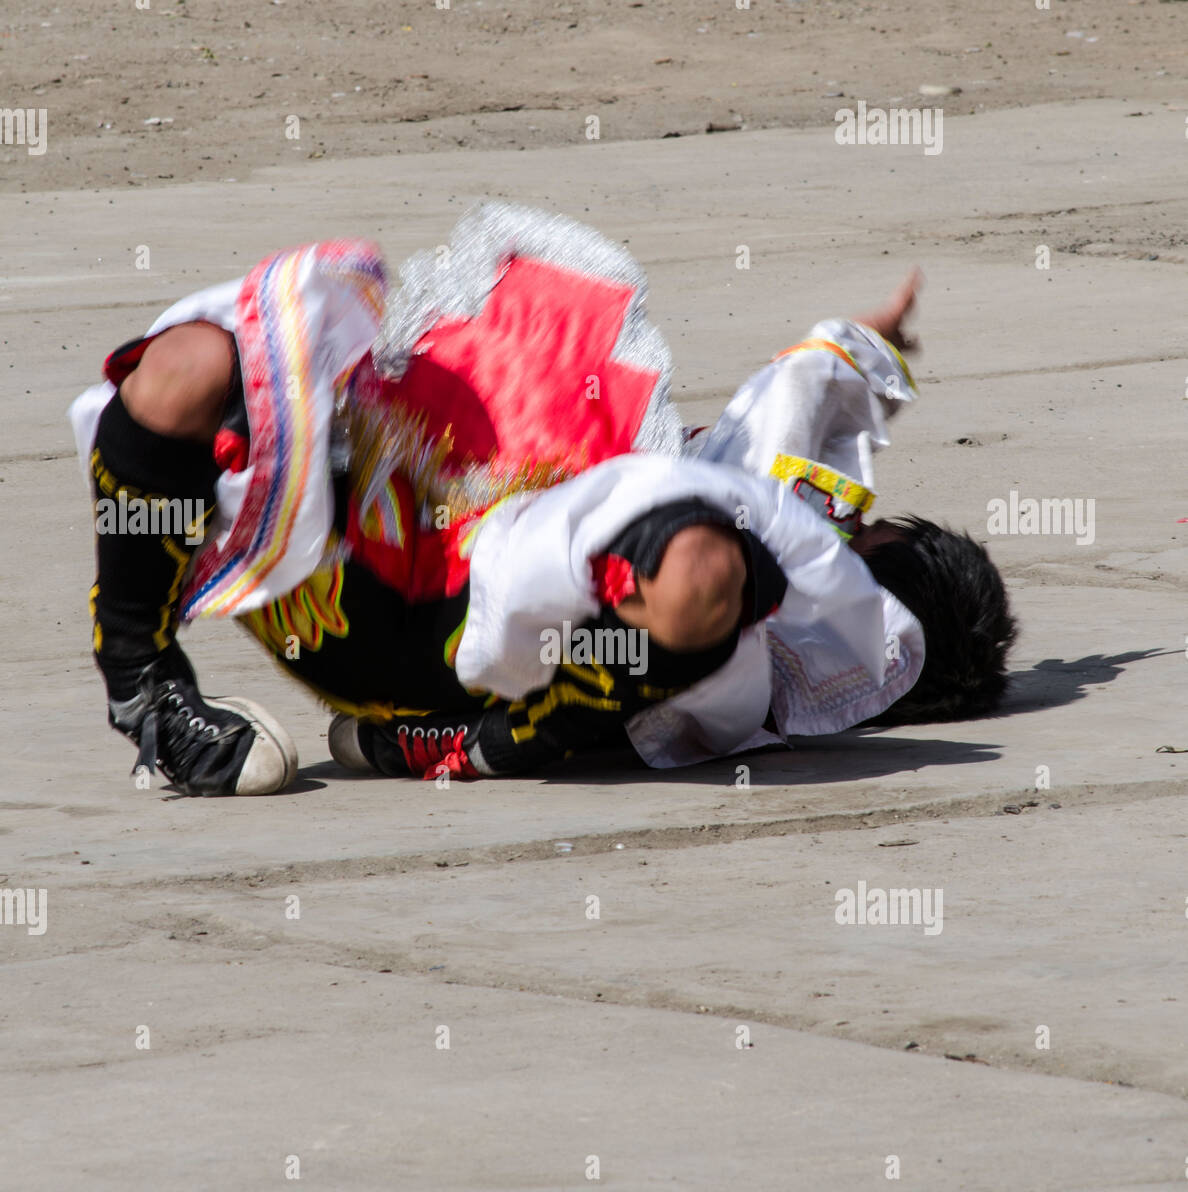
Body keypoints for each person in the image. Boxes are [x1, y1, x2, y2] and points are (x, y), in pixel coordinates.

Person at [69, 204, 1013, 793]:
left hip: (428, 637)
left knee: (704, 566)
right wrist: (860, 348)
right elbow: (783, 406)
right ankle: (139, 682)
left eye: (865, 530)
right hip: (350, 534)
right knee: (188, 368)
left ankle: (477, 747)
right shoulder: (724, 511)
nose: (841, 516)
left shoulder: (744, 662)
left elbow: (741, 517)